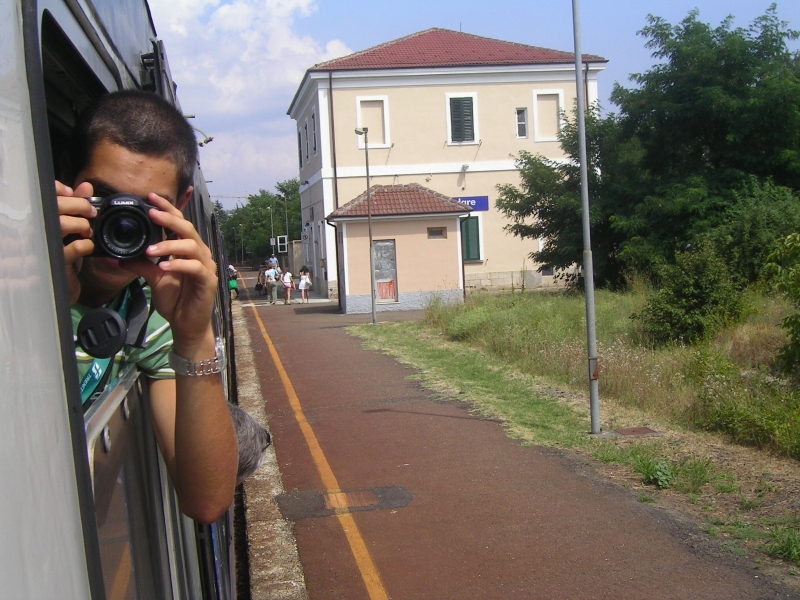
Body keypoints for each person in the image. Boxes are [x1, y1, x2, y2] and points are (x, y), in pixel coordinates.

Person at [57, 90, 238, 524]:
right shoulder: (14, 270)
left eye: (143, 210)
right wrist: (32, 310)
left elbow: (207, 501)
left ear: (179, 206)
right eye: (103, 199)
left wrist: (195, 338)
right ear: (67, 182)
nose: (120, 224)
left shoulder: (151, 314)